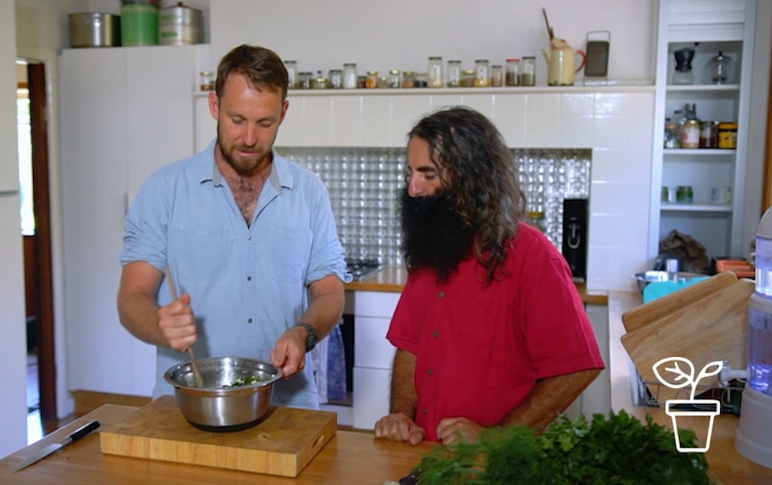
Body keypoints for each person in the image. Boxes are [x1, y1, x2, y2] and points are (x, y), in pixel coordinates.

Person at [116, 44, 349, 410]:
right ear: (214, 106)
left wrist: (303, 332)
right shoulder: (165, 190)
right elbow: (131, 299)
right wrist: (159, 324)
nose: (250, 138)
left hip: (286, 405)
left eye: (265, 122)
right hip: (187, 405)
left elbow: (331, 293)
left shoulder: (309, 192)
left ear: (283, 113)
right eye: (237, 120)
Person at [374, 106, 604, 445]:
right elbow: (410, 347)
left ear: (471, 177)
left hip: (496, 466)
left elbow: (576, 368)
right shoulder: (430, 249)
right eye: (411, 172)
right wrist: (401, 416)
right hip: (425, 456)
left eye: (428, 174)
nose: (412, 188)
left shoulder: (532, 255)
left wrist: (500, 438)